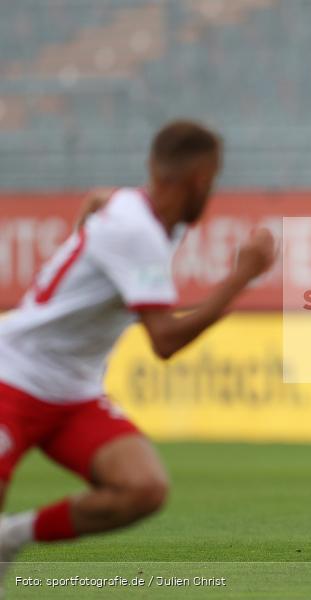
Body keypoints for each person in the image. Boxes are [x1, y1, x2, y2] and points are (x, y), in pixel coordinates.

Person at [0, 121, 276, 583]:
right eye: (213, 179)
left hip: (73, 393)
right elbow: (164, 341)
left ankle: (10, 536)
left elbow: (97, 203)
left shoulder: (146, 217)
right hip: (12, 377)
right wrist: (240, 278)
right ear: (200, 180)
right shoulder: (138, 231)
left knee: (143, 488)